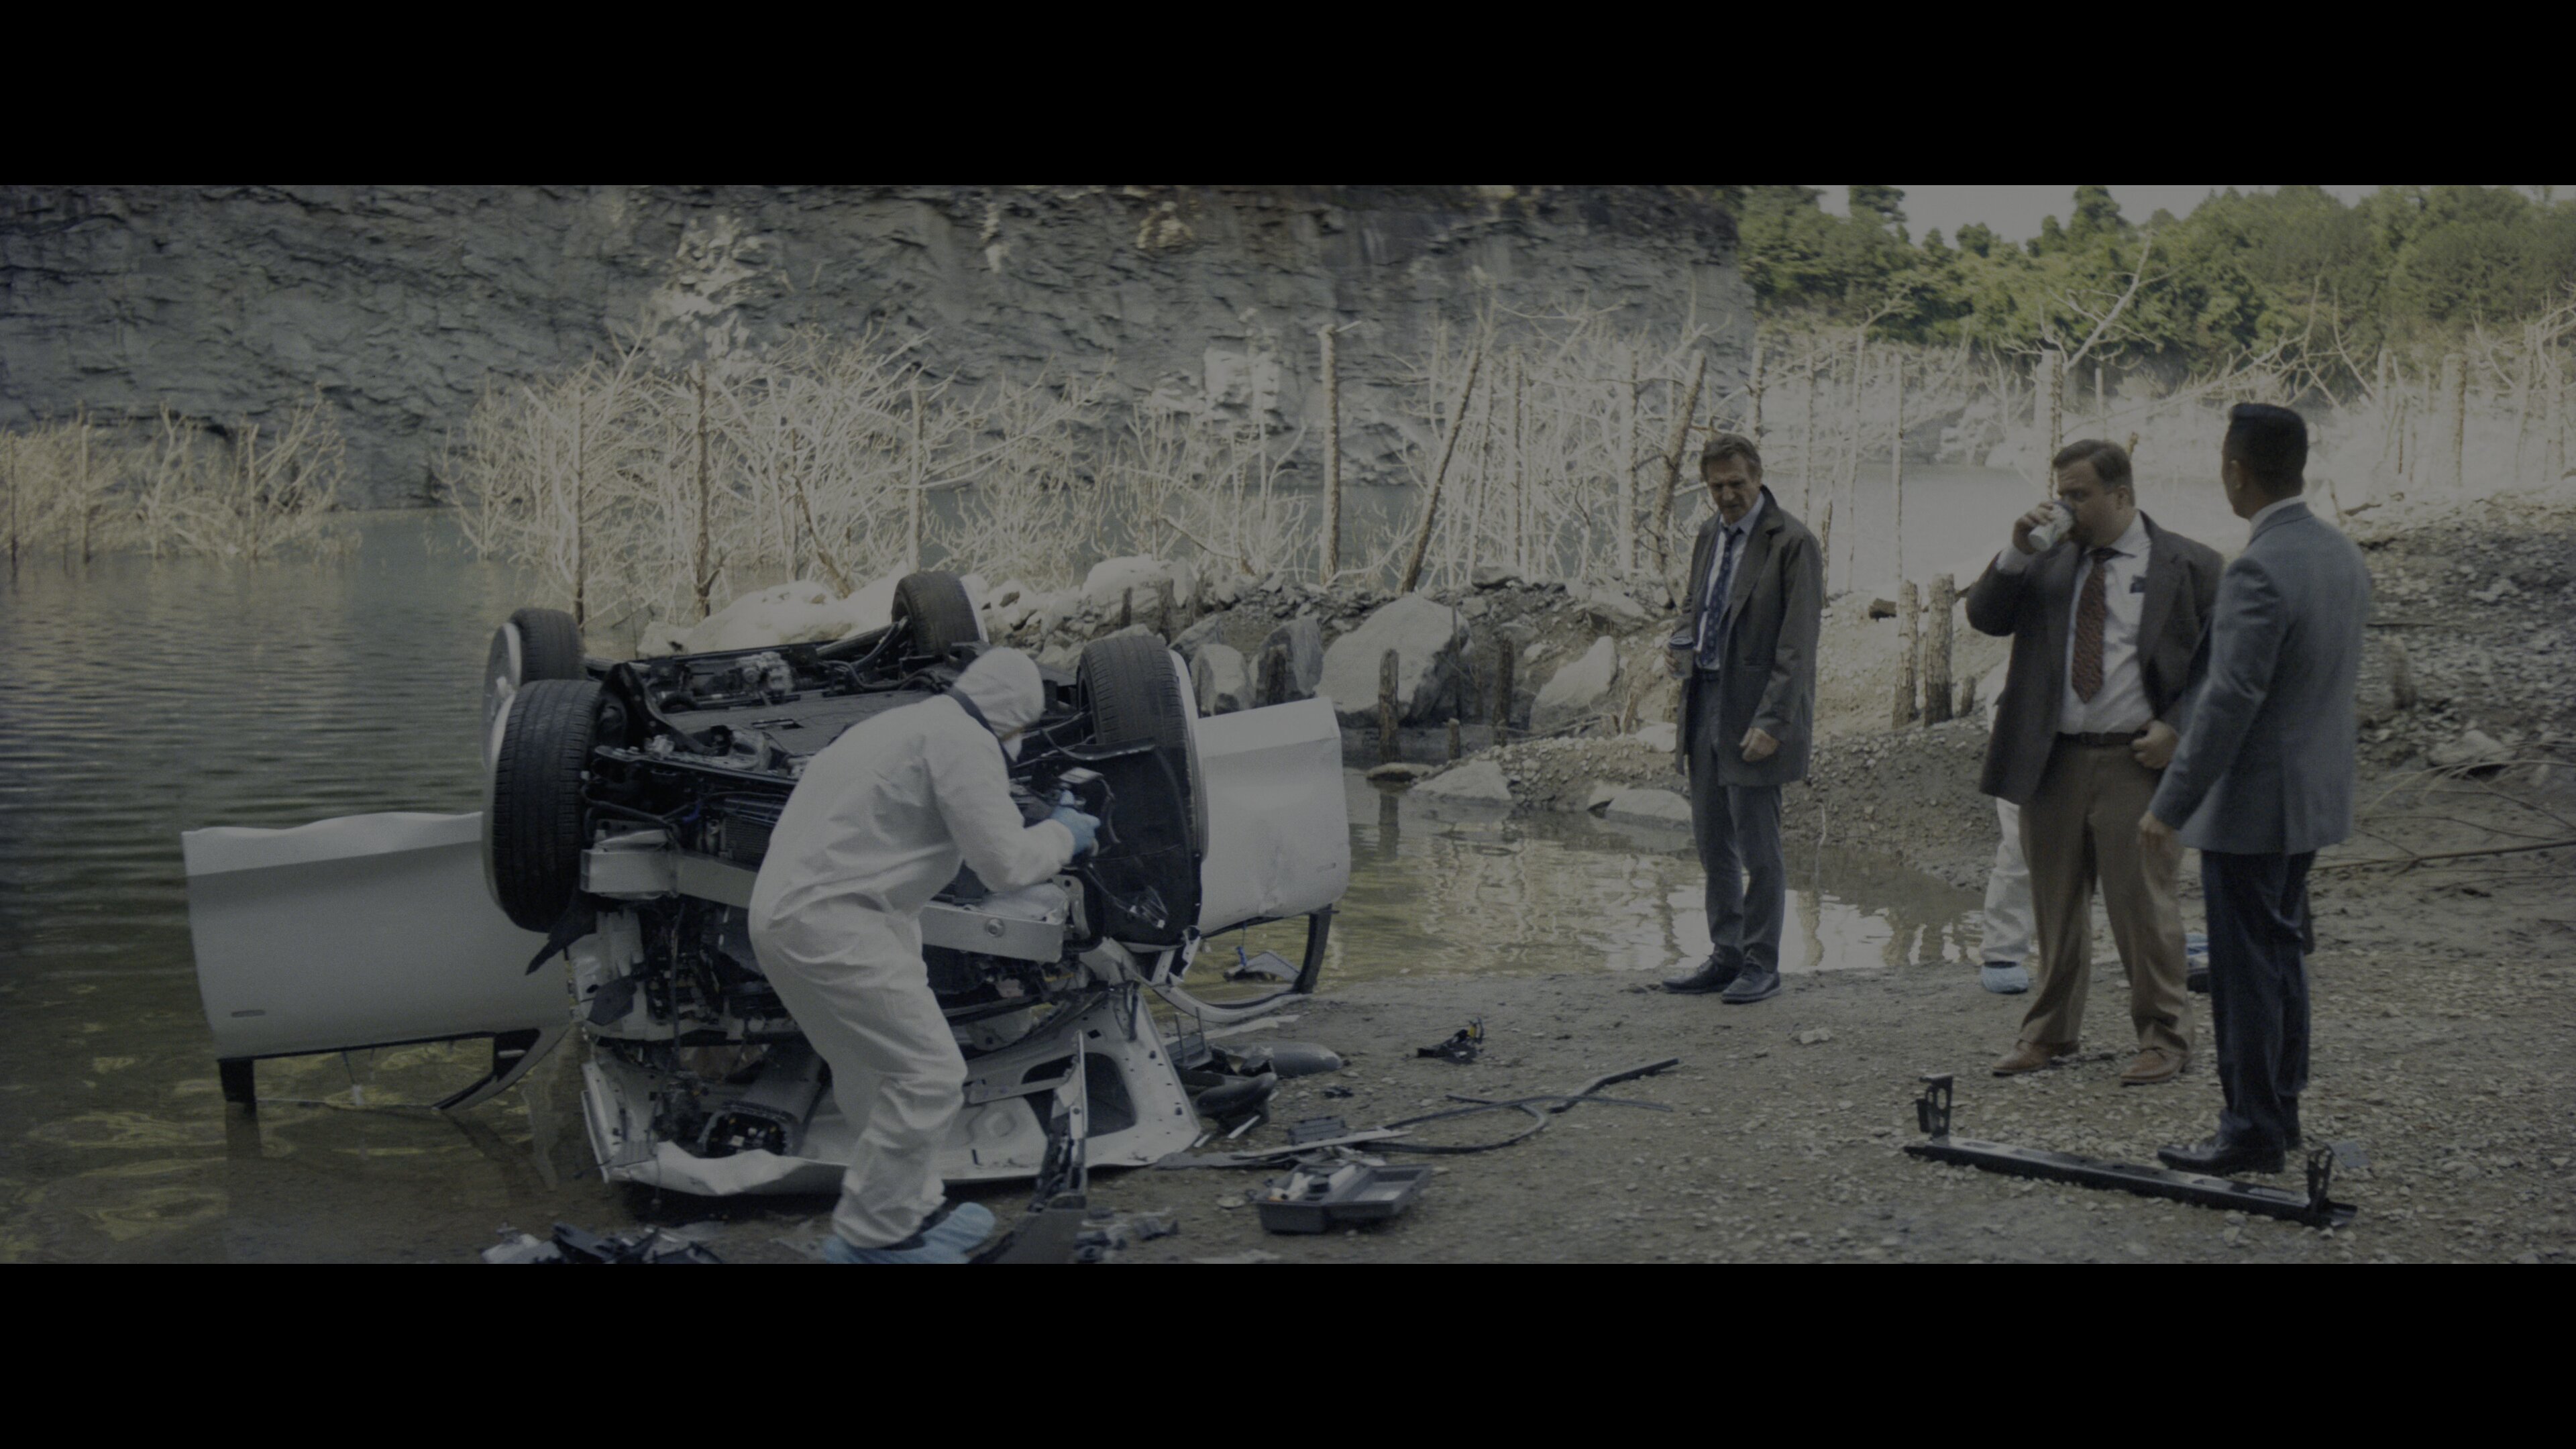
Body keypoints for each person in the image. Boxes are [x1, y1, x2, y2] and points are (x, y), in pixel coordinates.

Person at [747, 647, 1101, 1263]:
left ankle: (910, 1211)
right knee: (929, 1075)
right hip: (836, 924)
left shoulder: (905, 722)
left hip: (787, 917)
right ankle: (874, 1240)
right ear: (1013, 717)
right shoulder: (966, 741)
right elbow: (1004, 866)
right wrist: (1064, 834)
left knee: (872, 1073)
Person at [2149, 405, 2368, 1176]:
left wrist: (2169, 805)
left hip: (2254, 807)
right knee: (2280, 957)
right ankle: (2279, 1112)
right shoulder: (2338, 551)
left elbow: (2229, 702)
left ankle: (2251, 1131)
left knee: (2247, 973)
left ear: (2235, 470)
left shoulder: (2259, 567)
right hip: (2311, 798)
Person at [1967, 440, 2223, 1085]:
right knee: (2055, 907)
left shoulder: (2190, 563)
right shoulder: (2046, 558)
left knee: (2143, 907)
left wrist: (2178, 728)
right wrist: (2014, 551)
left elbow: (2224, 664)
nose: (2066, 506)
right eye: (2061, 493)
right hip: (2052, 758)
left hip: (2136, 760)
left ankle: (2165, 1037)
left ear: (2122, 494)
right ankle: (2049, 1034)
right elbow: (1985, 617)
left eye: (2079, 495)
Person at [1660, 433, 1823, 1006]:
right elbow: (1695, 604)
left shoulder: (1793, 543)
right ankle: (1725, 954)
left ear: (1758, 477)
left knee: (1758, 846)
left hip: (1754, 708)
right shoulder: (1710, 533)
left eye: (1736, 484)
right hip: (1703, 698)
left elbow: (1798, 646)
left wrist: (1773, 721)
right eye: (1716, 487)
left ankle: (1761, 962)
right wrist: (1680, 640)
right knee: (1713, 841)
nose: (1727, 496)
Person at [1973, 661, 2035, 995]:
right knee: (2021, 834)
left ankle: (2155, 942)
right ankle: (2003, 950)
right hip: (2029, 684)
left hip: (2119, 687)